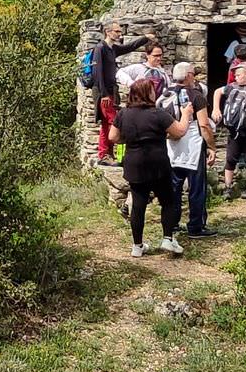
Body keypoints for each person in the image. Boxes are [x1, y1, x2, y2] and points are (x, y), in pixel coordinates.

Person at [109, 78, 186, 257]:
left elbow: (113, 136)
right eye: (152, 90)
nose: (155, 92)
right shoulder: (158, 113)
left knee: (138, 205)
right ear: (146, 93)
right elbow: (179, 131)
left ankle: (137, 246)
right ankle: (168, 238)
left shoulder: (123, 114)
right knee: (168, 201)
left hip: (135, 164)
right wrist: (187, 114)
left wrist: (128, 139)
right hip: (158, 163)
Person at [163, 63, 219, 238]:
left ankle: (171, 224)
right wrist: (211, 146)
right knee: (196, 188)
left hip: (172, 146)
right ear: (188, 76)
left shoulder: (164, 95)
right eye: (193, 73)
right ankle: (196, 226)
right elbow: (204, 124)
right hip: (193, 147)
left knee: (174, 187)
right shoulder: (196, 96)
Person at [92, 23, 153, 166]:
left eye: (120, 31)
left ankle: (106, 155)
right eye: (117, 31)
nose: (120, 34)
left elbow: (129, 47)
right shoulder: (100, 49)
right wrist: (104, 94)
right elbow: (97, 73)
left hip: (110, 91)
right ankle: (108, 155)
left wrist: (145, 38)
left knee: (107, 124)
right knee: (114, 122)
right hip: (104, 93)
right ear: (108, 32)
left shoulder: (112, 49)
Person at [213, 63, 246, 201]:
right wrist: (216, 109)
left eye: (238, 74)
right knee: (231, 157)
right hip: (235, 128)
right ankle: (228, 187)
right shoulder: (232, 87)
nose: (235, 77)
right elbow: (217, 92)